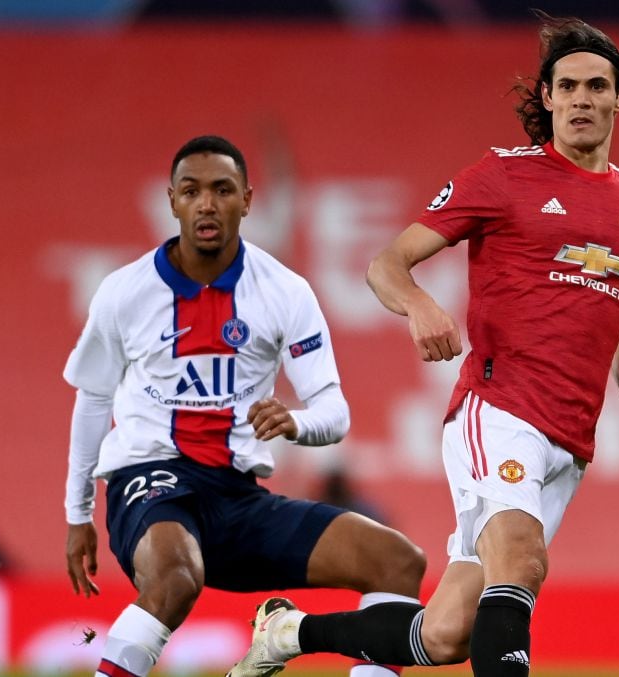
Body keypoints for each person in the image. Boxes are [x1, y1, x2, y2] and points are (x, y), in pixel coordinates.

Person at [228, 12, 619, 677]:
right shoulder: (501, 177)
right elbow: (386, 263)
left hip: (572, 438)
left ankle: (288, 631)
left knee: (450, 629)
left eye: (597, 87)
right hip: (499, 410)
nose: (582, 99)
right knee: (521, 558)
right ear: (546, 98)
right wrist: (421, 304)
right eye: (568, 86)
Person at [63, 135, 426, 677]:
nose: (207, 203)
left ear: (248, 200)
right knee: (175, 579)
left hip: (235, 498)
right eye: (192, 191)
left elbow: (334, 411)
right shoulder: (125, 292)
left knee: (398, 561)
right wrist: (78, 515)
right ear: (172, 201)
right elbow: (92, 399)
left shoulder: (284, 291)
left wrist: (296, 422)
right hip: (150, 480)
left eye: (221, 189)